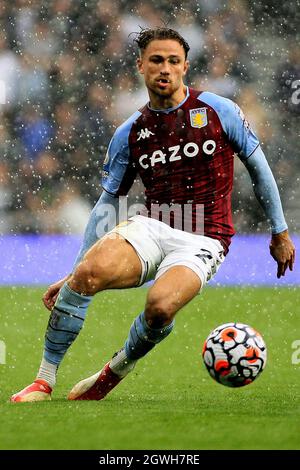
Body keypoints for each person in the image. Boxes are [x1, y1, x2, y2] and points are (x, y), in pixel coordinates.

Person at [11, 28, 295, 403]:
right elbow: (107, 204)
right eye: (157, 60)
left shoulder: (218, 111)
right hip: (152, 223)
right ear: (141, 66)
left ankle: (114, 371)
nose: (165, 69)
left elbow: (260, 170)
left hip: (205, 237)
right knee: (86, 276)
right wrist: (73, 271)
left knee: (160, 307)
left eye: (173, 61)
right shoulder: (130, 132)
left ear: (185, 67)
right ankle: (44, 381)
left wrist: (280, 231)